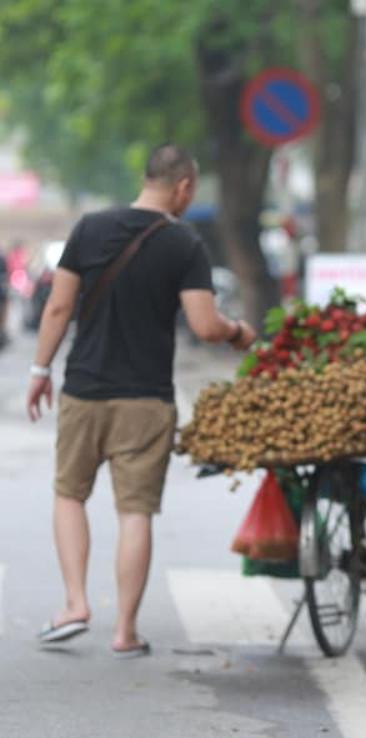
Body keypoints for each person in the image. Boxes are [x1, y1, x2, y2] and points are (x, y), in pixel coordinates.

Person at [27, 144, 257, 657]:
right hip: (146, 399)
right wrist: (238, 331)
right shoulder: (184, 244)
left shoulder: (89, 228)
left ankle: (75, 604)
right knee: (135, 512)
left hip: (84, 389)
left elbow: (60, 306)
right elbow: (203, 324)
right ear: (183, 188)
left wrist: (41, 370)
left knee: (70, 495)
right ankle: (124, 632)